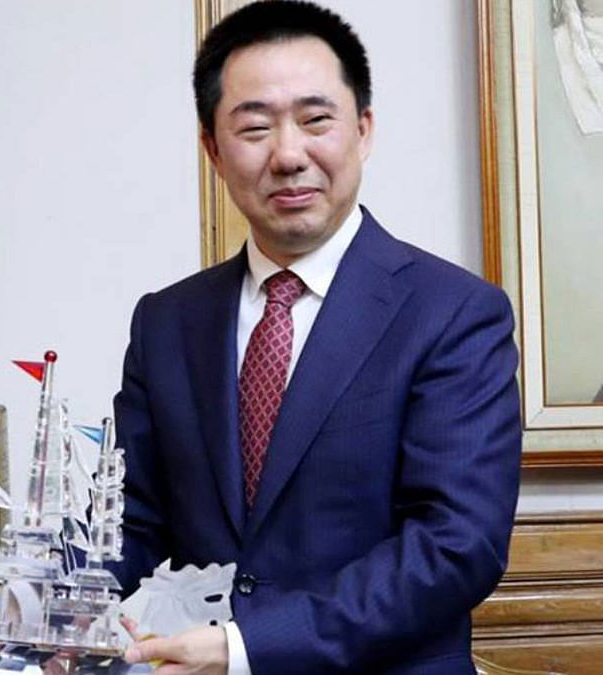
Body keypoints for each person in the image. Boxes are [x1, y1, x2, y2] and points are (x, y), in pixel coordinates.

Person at [111, 2, 522, 674]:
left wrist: (249, 645)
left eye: (315, 119)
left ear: (363, 129)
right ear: (213, 148)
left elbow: (455, 544)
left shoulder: (454, 313)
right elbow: (132, 523)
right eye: (253, 127)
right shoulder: (167, 322)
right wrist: (13, 600)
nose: (288, 154)